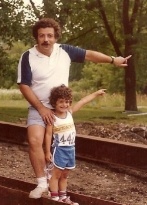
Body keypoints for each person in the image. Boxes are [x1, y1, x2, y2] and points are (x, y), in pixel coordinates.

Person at [17, 17, 131, 199]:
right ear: (36, 38)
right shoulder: (28, 56)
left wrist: (112, 60)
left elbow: (90, 55)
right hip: (39, 108)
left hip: (61, 110)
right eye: (41, 36)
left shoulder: (65, 51)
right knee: (35, 140)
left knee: (62, 148)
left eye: (50, 35)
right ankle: (42, 183)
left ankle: (59, 188)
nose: (46, 39)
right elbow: (24, 85)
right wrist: (41, 109)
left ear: (55, 37)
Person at [45, 85, 106, 204]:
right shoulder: (52, 118)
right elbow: (48, 135)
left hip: (71, 149)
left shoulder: (70, 113)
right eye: (61, 102)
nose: (64, 105)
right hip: (60, 149)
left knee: (65, 175)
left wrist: (96, 93)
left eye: (67, 102)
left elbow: (83, 101)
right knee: (56, 175)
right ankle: (54, 198)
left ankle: (63, 197)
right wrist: (47, 152)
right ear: (54, 102)